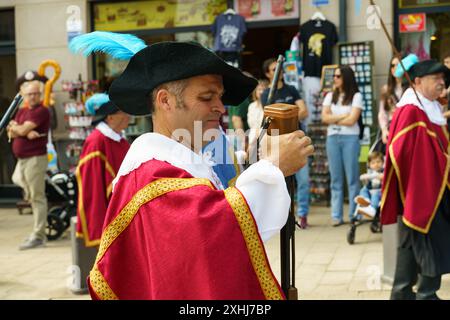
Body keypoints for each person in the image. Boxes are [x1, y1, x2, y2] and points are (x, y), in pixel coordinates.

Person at [70, 34, 313, 300]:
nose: (220, 107)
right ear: (165, 101)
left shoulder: (185, 154)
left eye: (219, 97)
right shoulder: (150, 172)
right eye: (207, 97)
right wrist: (273, 167)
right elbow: (211, 229)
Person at [381, 60, 450, 300]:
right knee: (431, 240)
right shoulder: (412, 109)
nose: (442, 82)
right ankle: (426, 295)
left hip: (433, 186)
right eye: (436, 78)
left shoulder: (429, 106)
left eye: (443, 77)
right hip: (423, 189)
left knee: (410, 244)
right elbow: (400, 150)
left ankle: (400, 294)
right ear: (417, 81)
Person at [75, 93, 130, 248]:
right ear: (110, 117)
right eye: (123, 112)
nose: (128, 116)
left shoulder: (120, 139)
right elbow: (92, 188)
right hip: (110, 213)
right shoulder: (96, 142)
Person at [261, 58, 310, 229]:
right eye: (274, 69)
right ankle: (282, 217)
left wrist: (286, 118)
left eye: (280, 68)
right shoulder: (267, 94)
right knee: (280, 182)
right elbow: (268, 120)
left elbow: (304, 110)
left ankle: (302, 214)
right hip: (278, 145)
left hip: (296, 139)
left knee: (303, 180)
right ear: (268, 74)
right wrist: (291, 115)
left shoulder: (292, 89)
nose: (278, 72)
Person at [7, 80, 50, 250]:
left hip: (35, 158)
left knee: (37, 197)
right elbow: (11, 127)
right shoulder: (23, 110)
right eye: (29, 94)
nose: (32, 97)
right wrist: (20, 129)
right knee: (16, 179)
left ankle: (39, 236)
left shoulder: (41, 111)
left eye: (35, 93)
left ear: (39, 95)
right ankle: (29, 195)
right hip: (22, 159)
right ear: (24, 95)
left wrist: (21, 130)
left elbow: (19, 130)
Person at [321, 65, 363, 227]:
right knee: (336, 178)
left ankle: (355, 214)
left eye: (338, 76)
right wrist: (344, 115)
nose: (335, 79)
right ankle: (336, 215)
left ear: (346, 77)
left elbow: (353, 120)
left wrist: (334, 117)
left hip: (350, 138)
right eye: (334, 76)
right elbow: (324, 118)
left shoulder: (356, 96)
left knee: (352, 178)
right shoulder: (330, 95)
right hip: (333, 138)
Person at [378, 56, 407, 147]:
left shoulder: (411, 88)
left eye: (398, 65)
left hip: (407, 127)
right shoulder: (386, 89)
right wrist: (384, 130)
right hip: (392, 128)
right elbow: (382, 113)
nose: (395, 68)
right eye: (392, 66)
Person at [354, 151, 384, 219]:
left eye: (378, 162)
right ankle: (366, 200)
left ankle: (372, 209)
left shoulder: (383, 171)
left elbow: (382, 176)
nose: (376, 164)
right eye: (373, 163)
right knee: (364, 189)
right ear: (369, 165)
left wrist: (379, 176)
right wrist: (365, 178)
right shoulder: (370, 173)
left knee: (375, 194)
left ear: (383, 162)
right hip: (371, 192)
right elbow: (364, 178)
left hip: (380, 192)